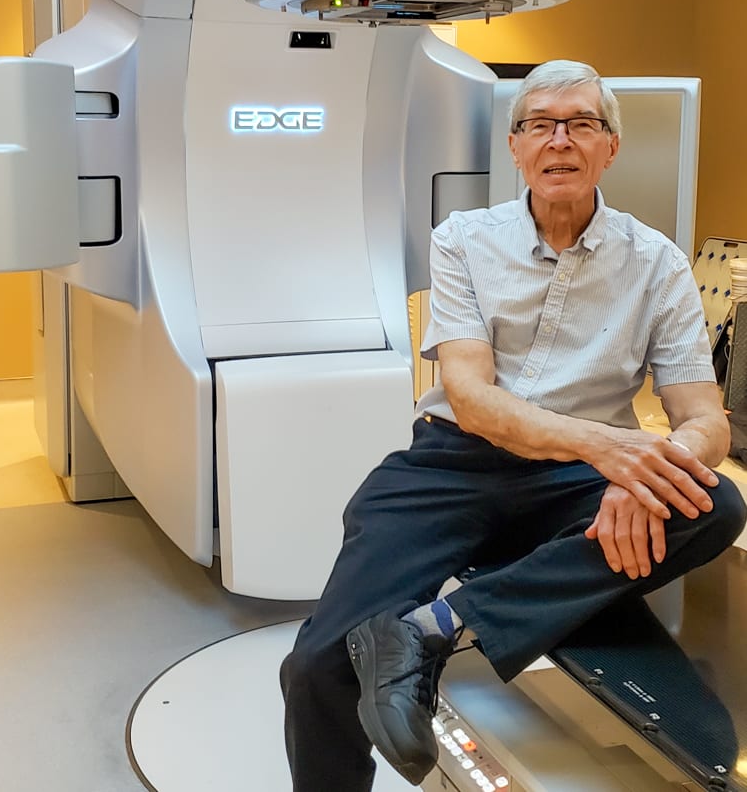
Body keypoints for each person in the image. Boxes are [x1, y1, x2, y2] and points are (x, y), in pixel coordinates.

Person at [280, 59, 747, 791]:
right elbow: (469, 397)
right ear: (516, 147)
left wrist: (653, 469)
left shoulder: (655, 262)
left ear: (609, 147)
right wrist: (621, 453)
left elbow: (701, 418)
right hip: (450, 464)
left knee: (712, 501)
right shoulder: (463, 238)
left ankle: (427, 632)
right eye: (539, 125)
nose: (559, 139)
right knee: (315, 666)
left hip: (573, 484)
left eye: (581, 124)